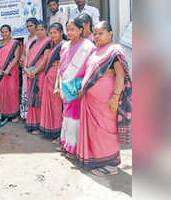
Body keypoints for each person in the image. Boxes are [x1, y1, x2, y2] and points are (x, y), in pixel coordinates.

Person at [76, 21, 132, 176]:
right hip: (91, 101)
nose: (97, 36)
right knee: (95, 132)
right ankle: (97, 159)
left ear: (110, 34)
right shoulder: (95, 52)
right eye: (95, 33)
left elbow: (120, 75)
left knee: (106, 131)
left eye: (100, 33)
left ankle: (111, 165)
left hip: (106, 100)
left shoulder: (115, 51)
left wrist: (115, 98)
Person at [54, 17, 95, 159]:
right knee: (66, 116)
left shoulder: (88, 46)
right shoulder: (64, 46)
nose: (70, 32)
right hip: (65, 85)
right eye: (68, 29)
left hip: (77, 87)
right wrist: (57, 85)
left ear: (81, 29)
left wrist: (83, 87)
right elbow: (61, 67)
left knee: (74, 118)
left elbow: (92, 68)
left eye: (73, 29)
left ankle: (74, 147)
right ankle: (66, 143)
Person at [39, 23, 67, 141]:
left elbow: (66, 62)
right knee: (50, 104)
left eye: (55, 32)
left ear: (61, 33)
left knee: (56, 106)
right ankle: (51, 130)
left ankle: (58, 132)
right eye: (50, 33)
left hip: (57, 80)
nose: (52, 35)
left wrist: (59, 64)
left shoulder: (64, 45)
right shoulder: (52, 45)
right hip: (49, 78)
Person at [24, 20, 52, 134]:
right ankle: (32, 124)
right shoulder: (33, 43)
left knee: (39, 99)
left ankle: (41, 125)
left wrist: (35, 71)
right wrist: (26, 69)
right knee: (31, 99)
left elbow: (45, 59)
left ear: (46, 30)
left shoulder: (48, 42)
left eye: (42, 30)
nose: (39, 32)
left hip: (40, 75)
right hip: (30, 75)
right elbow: (27, 56)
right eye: (37, 30)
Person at [0, 24, 21, 122]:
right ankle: (4, 113)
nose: (4, 33)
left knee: (12, 92)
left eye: (6, 31)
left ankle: (14, 114)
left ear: (10, 32)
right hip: (0, 72)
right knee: (2, 93)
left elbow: (16, 57)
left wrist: (8, 69)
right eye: (2, 32)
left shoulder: (15, 43)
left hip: (11, 72)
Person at [20, 18, 38, 120]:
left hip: (36, 68)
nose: (29, 28)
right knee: (25, 90)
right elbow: (24, 54)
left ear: (36, 26)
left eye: (31, 26)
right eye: (28, 26)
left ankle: (35, 116)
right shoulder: (26, 38)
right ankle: (26, 115)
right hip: (26, 68)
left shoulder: (39, 37)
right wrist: (22, 64)